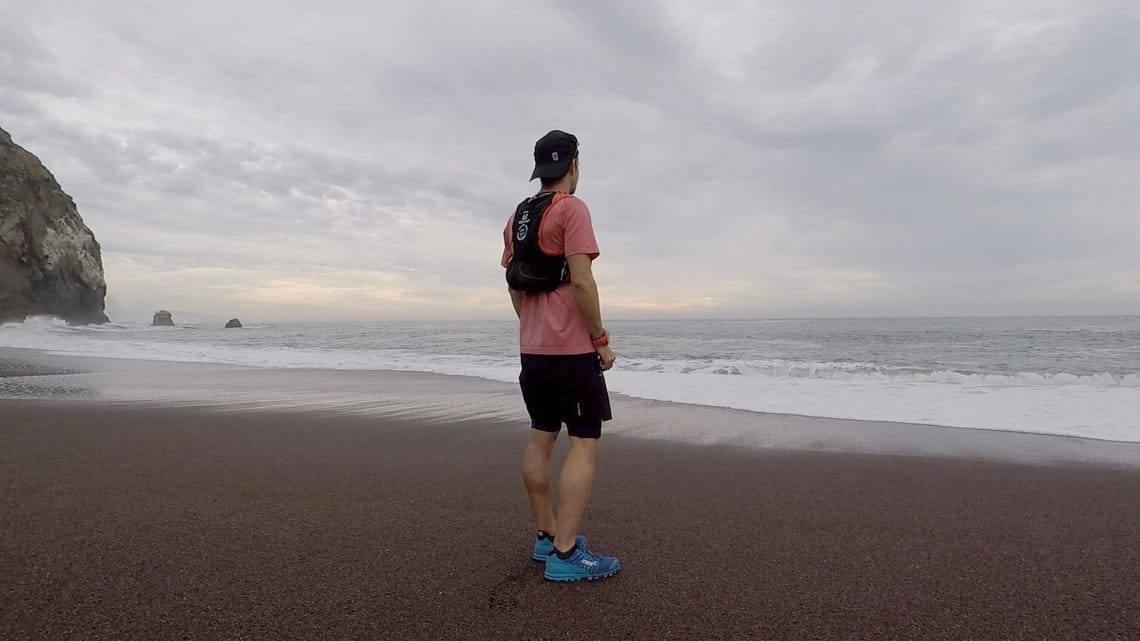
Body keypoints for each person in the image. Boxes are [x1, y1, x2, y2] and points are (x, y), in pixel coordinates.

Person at [500, 129, 620, 582]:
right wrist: (600, 340)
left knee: (541, 437)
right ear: (573, 165)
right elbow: (584, 282)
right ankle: (566, 555)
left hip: (533, 353)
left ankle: (546, 536)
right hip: (572, 354)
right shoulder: (572, 209)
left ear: (539, 170)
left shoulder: (518, 217)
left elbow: (513, 283)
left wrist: (532, 325)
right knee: (584, 442)